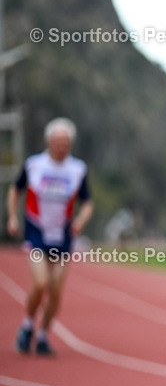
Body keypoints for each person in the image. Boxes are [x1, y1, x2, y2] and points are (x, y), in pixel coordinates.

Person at [6, 117, 93, 356]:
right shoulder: (34, 165)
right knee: (41, 282)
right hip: (37, 232)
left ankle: (43, 335)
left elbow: (87, 203)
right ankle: (26, 326)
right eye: (57, 141)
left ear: (70, 143)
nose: (61, 145)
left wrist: (80, 222)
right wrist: (12, 216)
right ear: (49, 141)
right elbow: (15, 190)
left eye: (65, 141)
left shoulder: (77, 169)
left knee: (55, 290)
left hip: (63, 236)